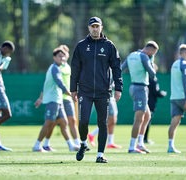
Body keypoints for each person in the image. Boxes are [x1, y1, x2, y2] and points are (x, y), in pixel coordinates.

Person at [71, 16, 123, 163]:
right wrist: (73, 88)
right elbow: (75, 68)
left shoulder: (109, 45)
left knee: (102, 123)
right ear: (88, 28)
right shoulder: (81, 46)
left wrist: (118, 88)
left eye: (97, 26)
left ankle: (100, 154)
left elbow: (116, 68)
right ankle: (83, 143)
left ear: (101, 28)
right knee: (83, 121)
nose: (95, 29)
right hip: (85, 91)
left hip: (103, 91)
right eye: (92, 26)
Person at [33, 47, 78, 152]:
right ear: (54, 57)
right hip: (52, 100)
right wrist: (71, 94)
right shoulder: (55, 68)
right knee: (48, 123)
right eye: (59, 56)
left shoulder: (59, 67)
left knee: (64, 122)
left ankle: (71, 145)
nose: (62, 58)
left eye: (63, 56)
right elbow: (60, 83)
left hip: (58, 100)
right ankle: (37, 145)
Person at [121, 41, 159, 154]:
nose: (153, 55)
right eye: (154, 53)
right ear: (150, 50)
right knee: (139, 119)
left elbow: (121, 68)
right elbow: (152, 74)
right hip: (141, 89)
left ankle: (140, 143)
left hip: (133, 87)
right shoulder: (145, 57)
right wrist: (152, 62)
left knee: (147, 116)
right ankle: (132, 147)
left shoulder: (131, 55)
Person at [88, 81, 122, 149]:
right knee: (111, 119)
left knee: (112, 120)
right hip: (106, 95)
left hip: (111, 94)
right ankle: (92, 134)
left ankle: (110, 142)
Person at [144, 63, 167, 144]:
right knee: (147, 120)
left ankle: (142, 138)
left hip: (146, 101)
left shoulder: (145, 77)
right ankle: (144, 139)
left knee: (144, 120)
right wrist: (162, 94)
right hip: (150, 102)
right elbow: (156, 92)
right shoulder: (152, 79)